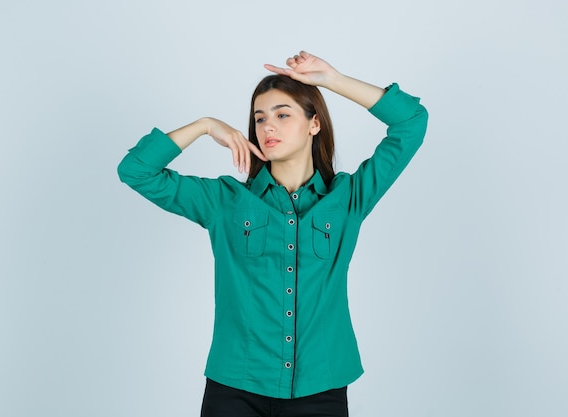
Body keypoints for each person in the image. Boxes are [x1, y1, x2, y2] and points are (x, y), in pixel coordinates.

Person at [118, 51, 428, 417]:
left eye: (283, 115)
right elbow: (135, 171)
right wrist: (204, 125)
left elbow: (411, 122)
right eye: (259, 118)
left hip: (321, 387)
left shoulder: (348, 199)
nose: (267, 127)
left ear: (314, 124)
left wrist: (333, 80)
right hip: (235, 387)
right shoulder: (225, 201)